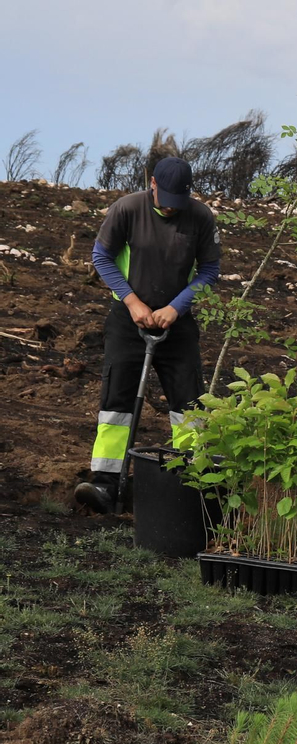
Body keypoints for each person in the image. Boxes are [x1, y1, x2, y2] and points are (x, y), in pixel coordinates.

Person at [76, 157, 221, 513]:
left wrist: (176, 308)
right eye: (165, 196)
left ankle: (190, 485)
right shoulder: (126, 209)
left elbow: (210, 270)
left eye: (179, 198)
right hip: (129, 321)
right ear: (152, 183)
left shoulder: (201, 217)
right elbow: (102, 256)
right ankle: (106, 485)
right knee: (116, 405)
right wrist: (132, 302)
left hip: (178, 323)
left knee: (188, 406)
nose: (171, 205)